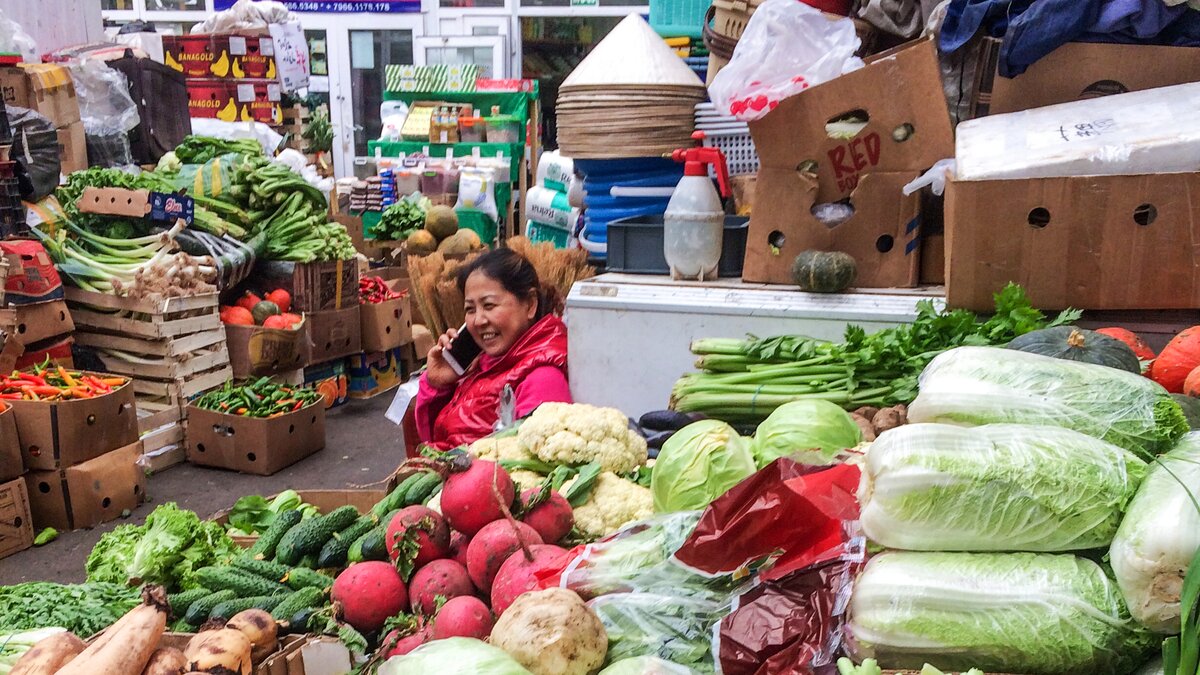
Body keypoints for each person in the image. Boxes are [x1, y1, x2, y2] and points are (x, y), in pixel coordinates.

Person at [414, 248, 571, 450]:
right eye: (470, 309)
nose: (478, 320)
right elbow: (435, 440)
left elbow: (528, 464)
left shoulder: (543, 380)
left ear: (530, 304)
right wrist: (437, 385)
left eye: (489, 305)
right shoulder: (484, 364)